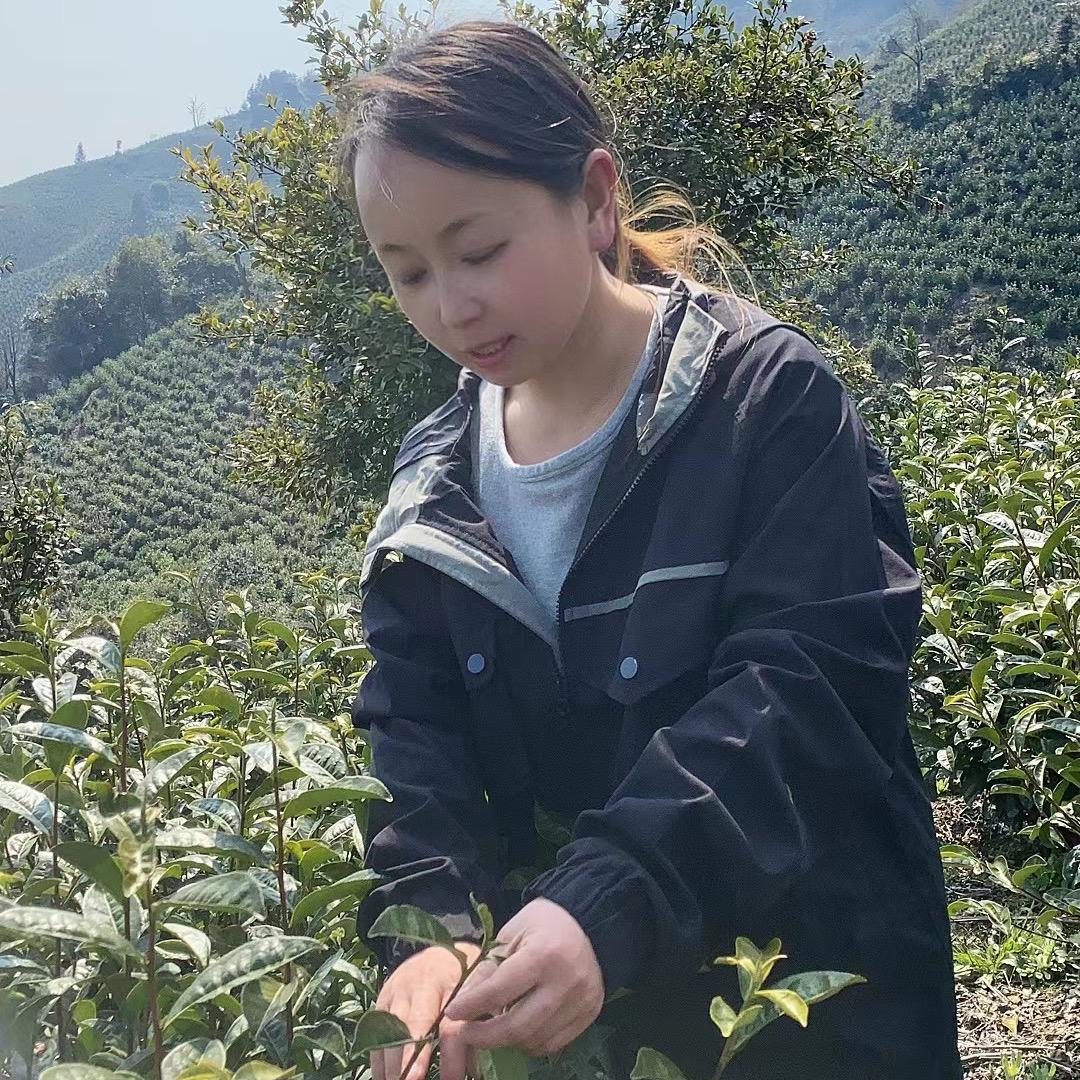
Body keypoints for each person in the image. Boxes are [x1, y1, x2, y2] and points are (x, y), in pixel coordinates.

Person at [339, 18, 962, 1080]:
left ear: (593, 198)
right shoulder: (434, 483)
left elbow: (807, 696)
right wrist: (432, 922)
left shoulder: (765, 402)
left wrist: (611, 896)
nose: (452, 305)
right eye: (407, 273)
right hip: (597, 1043)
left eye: (480, 250)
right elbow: (414, 729)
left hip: (815, 1023)